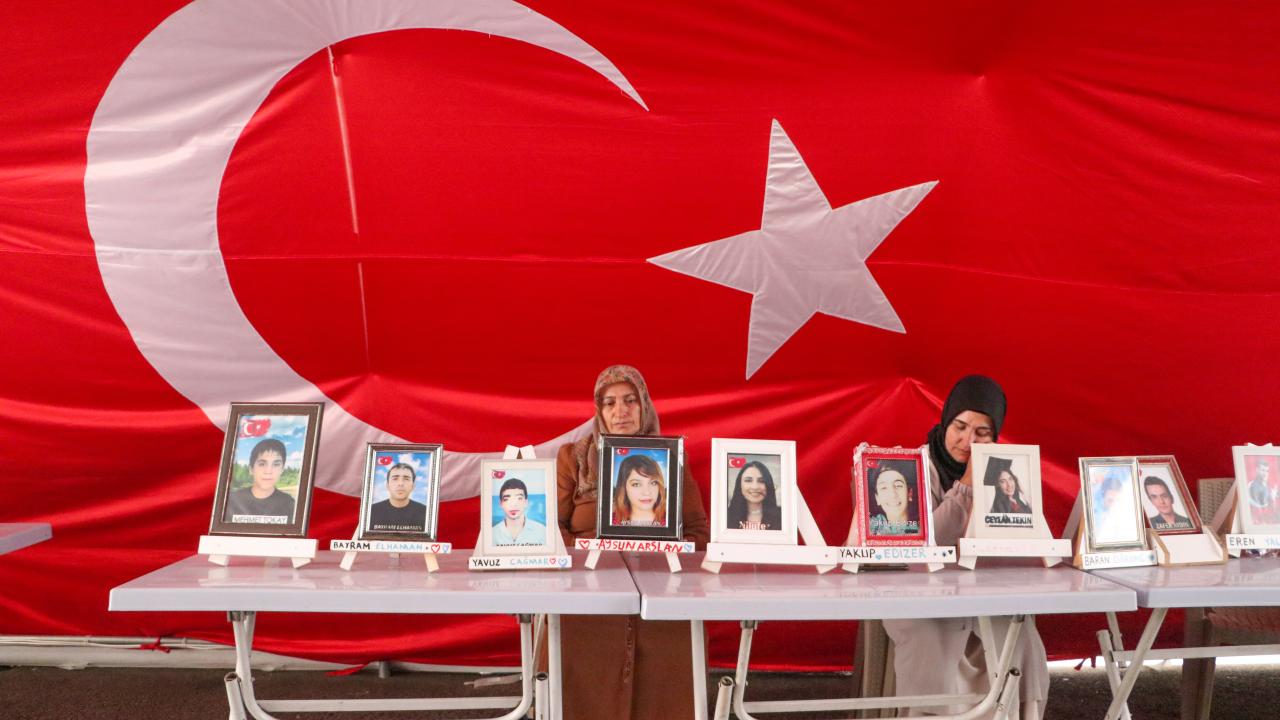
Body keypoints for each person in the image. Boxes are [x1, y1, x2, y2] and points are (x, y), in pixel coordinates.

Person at [847, 375, 1048, 719]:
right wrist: (966, 487)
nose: (968, 441)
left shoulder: (1004, 476)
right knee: (931, 638)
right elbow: (922, 547)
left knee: (1019, 634)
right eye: (960, 426)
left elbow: (1017, 550)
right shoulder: (911, 469)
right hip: (912, 593)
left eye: (982, 432)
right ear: (945, 422)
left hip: (979, 593)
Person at [553, 365, 709, 720]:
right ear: (599, 410)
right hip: (588, 584)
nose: (620, 411)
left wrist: (665, 552)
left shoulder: (671, 458)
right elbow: (553, 530)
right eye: (609, 403)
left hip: (659, 583)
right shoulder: (573, 458)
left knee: (674, 635)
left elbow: (698, 531)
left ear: (644, 406)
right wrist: (595, 552)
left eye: (630, 400)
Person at [225, 438, 295, 521]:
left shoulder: (289, 503)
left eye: (276, 464)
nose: (268, 471)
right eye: (262, 464)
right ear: (251, 469)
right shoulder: (232, 500)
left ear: (282, 470)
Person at [368, 463, 428, 533]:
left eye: (406, 479)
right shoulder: (371, 511)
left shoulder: (426, 512)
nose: (400, 483)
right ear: (387, 485)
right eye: (395, 478)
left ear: (413, 486)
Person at [611, 454, 667, 526]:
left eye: (653, 483)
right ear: (624, 487)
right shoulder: (610, 522)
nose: (647, 492)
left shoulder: (672, 522)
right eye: (636, 484)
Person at [725, 460, 783, 531]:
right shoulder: (725, 515)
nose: (755, 487)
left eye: (761, 481)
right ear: (739, 485)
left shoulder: (783, 516)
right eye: (748, 480)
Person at [491, 478, 547, 546]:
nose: (513, 504)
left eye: (519, 498)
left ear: (526, 502)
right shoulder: (491, 534)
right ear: (501, 504)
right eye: (506, 499)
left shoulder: (542, 531)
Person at [867, 464, 919, 535]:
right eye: (884, 488)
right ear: (877, 498)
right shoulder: (871, 527)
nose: (892, 494)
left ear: (910, 493)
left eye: (898, 485)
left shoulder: (923, 528)